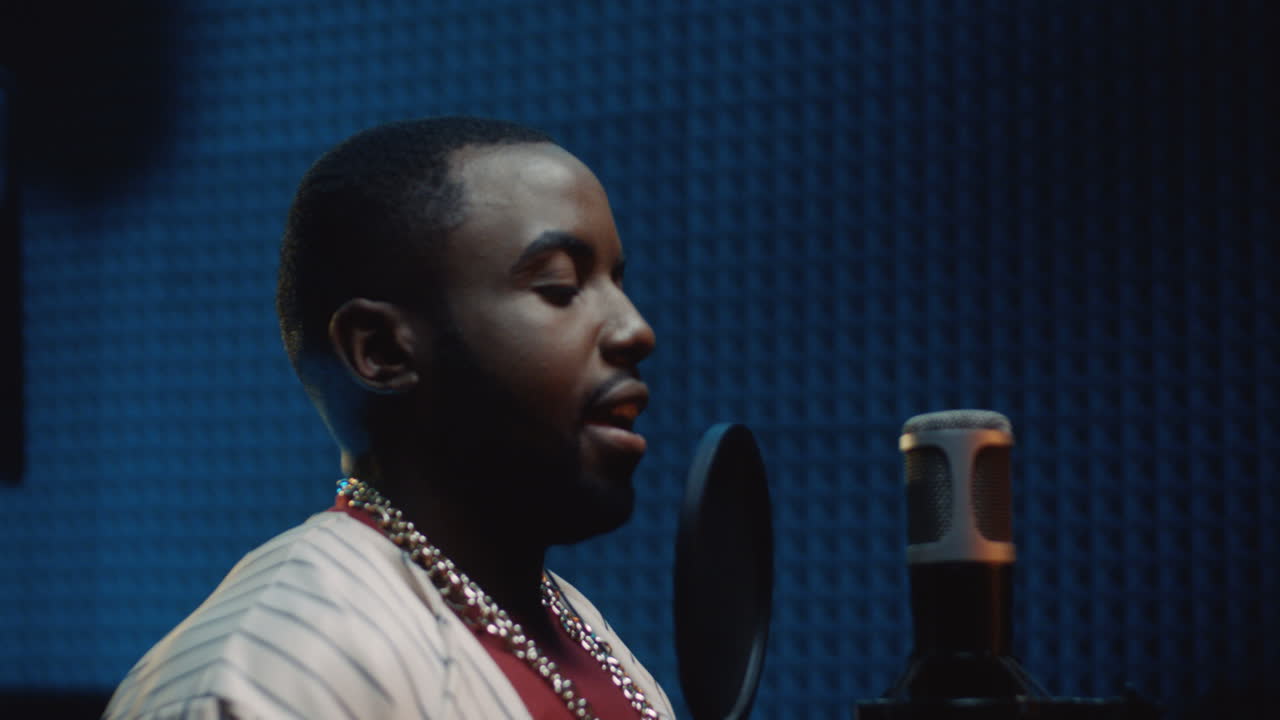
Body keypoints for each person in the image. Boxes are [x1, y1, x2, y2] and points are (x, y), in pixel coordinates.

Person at [104, 117, 674, 720]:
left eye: (616, 281)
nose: (635, 328)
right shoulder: (270, 672)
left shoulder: (577, 629)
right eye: (559, 285)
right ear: (380, 350)